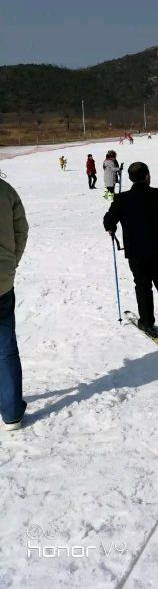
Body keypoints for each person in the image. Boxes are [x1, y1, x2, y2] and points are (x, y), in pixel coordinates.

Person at [103, 162, 158, 336]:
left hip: (136, 251)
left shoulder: (121, 199)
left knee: (142, 285)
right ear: (147, 176)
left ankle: (147, 322)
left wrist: (110, 228)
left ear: (130, 178)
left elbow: (109, 220)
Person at [0, 174, 29, 430]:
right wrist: (11, 262)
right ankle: (11, 411)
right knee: (5, 347)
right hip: (1, 280)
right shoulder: (5, 190)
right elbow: (22, 230)